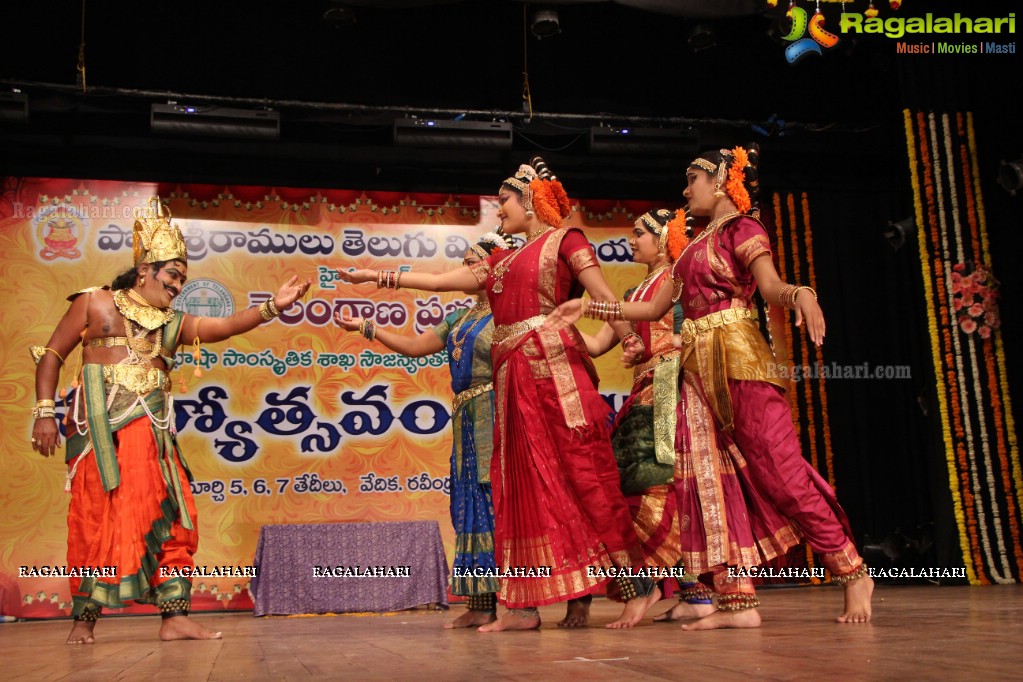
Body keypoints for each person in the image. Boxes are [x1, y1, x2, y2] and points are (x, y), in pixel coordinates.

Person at [546, 145, 873, 629]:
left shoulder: (744, 229)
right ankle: (735, 601)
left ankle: (851, 570)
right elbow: (652, 311)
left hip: (738, 361)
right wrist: (588, 308)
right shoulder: (691, 249)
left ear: (721, 182)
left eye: (692, 178)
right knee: (704, 483)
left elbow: (770, 287)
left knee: (781, 475)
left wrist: (800, 292)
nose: (685, 188)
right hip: (695, 372)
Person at [335, 157, 660, 632]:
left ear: (529, 200)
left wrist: (628, 337)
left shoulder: (565, 241)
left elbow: (602, 293)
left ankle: (639, 587)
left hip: (554, 373)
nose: (498, 208)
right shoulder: (500, 261)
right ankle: (523, 606)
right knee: (518, 492)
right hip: (513, 384)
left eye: (504, 199)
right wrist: (378, 278)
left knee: (585, 478)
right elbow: (441, 280)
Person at [30, 197, 311, 644]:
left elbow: (225, 327)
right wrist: (44, 412)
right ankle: (83, 619)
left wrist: (272, 307)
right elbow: (52, 355)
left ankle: (174, 617)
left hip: (154, 438)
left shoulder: (172, 322)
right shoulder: (94, 302)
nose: (179, 286)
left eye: (183, 278)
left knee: (175, 516)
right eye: (173, 276)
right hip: (99, 435)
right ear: (145, 269)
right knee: (94, 520)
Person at [334, 232, 511, 629]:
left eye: (471, 263)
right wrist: (366, 327)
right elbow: (415, 347)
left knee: (495, 503)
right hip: (465, 417)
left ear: (491, 269)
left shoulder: (508, 314)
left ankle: (516, 604)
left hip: (496, 414)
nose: (463, 270)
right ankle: (482, 603)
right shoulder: (460, 318)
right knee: (467, 507)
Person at [580, 208, 715, 622]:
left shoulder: (678, 282)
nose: (632, 240)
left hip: (672, 387)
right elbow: (597, 343)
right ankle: (694, 593)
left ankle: (660, 586)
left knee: (661, 483)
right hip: (645, 391)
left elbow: (705, 328)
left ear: (661, 239)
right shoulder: (636, 293)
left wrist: (663, 344)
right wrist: (549, 323)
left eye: (639, 234)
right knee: (639, 485)